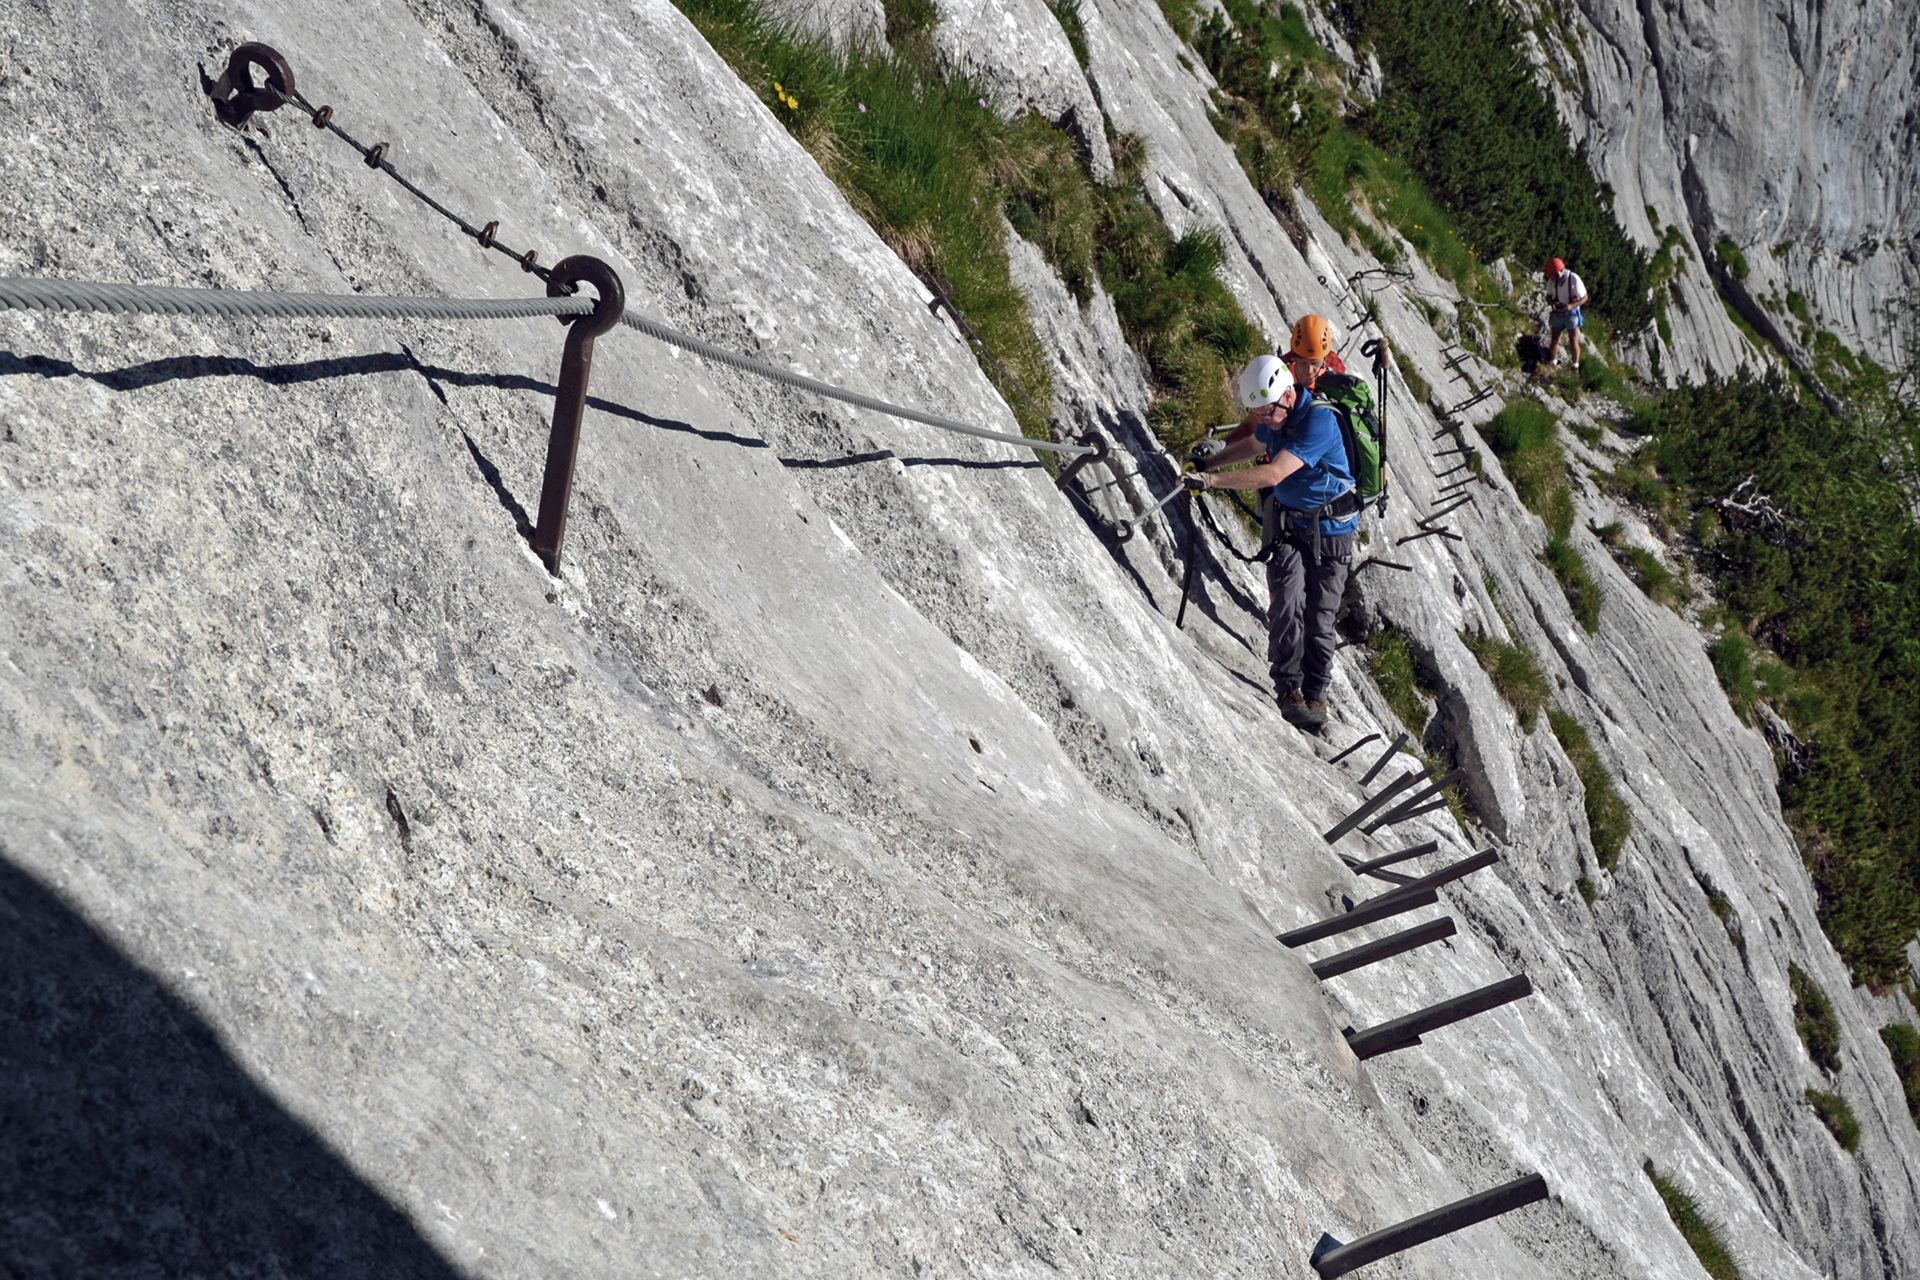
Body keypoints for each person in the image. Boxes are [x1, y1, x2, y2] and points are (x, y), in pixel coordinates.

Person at [1185, 316, 1357, 731]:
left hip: (1331, 533)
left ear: (1285, 398)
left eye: (1267, 412)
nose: (1263, 420)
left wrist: (1210, 481)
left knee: (1320, 618)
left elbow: (1273, 474)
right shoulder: (1275, 415)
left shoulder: (1318, 421)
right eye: (1258, 413)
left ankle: (1316, 696)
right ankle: (1289, 690)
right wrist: (1207, 462)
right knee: (1285, 601)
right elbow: (1251, 444)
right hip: (1289, 525)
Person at [1543, 258, 1589, 370]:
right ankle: (1553, 363)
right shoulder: (1552, 281)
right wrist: (1552, 303)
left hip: (1571, 313)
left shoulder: (1573, 279)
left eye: (1551, 276)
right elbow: (1548, 296)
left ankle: (1575, 366)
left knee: (1573, 340)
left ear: (1558, 273)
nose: (1550, 279)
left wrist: (1571, 306)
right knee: (1555, 338)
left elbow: (1584, 297)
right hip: (1558, 312)